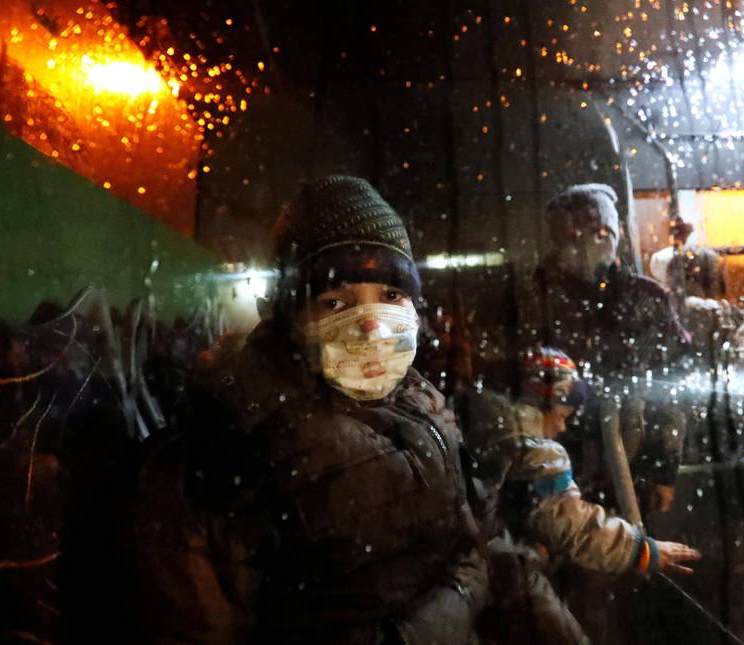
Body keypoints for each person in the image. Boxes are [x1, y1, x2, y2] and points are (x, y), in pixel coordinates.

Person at [133, 176, 487, 643]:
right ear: (288, 317)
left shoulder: (425, 407)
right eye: (335, 301)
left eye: (392, 296)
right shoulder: (226, 450)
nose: (374, 329)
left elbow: (478, 547)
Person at [458, 347, 701, 578]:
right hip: (480, 563)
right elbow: (573, 525)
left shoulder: (477, 422)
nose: (562, 427)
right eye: (562, 416)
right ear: (543, 402)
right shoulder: (537, 452)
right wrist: (641, 551)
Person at [528, 183, 690, 514]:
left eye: (571, 239)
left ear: (604, 235)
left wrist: (664, 471)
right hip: (562, 467)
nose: (561, 251)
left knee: (626, 550)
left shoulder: (646, 300)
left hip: (632, 468)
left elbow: (672, 389)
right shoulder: (546, 297)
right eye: (558, 241)